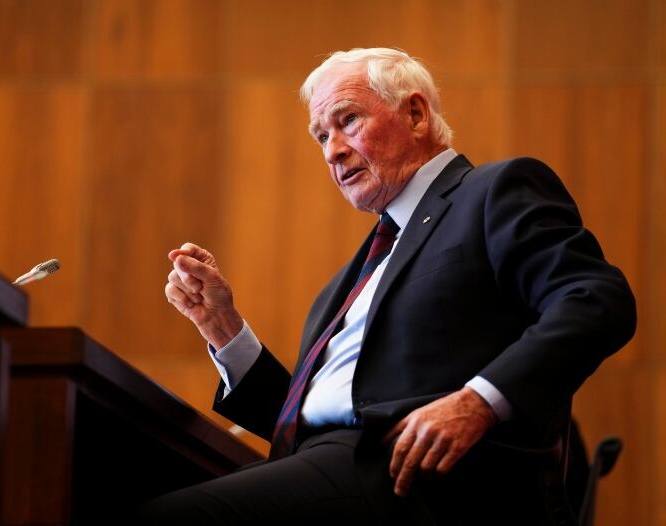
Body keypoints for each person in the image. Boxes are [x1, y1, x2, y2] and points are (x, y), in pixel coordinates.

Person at [148, 48, 636, 524]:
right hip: (332, 470)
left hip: (424, 482)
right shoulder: (348, 280)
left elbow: (596, 300)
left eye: (348, 121)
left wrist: (479, 401)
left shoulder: (493, 192)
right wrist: (224, 329)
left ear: (417, 114)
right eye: (320, 136)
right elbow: (299, 421)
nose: (333, 150)